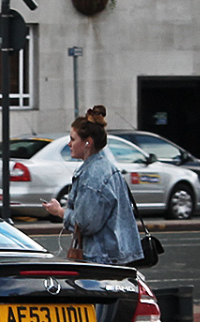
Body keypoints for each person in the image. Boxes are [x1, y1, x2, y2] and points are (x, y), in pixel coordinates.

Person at [42, 107, 142, 265]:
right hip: (115, 255)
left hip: (100, 258)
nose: (69, 144)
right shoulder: (108, 168)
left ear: (88, 142)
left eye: (73, 139)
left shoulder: (93, 176)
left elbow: (86, 224)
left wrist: (59, 212)